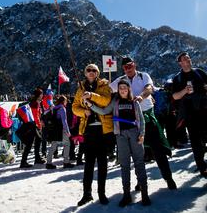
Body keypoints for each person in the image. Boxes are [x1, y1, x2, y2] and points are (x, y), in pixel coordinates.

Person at [110, 56, 177, 190]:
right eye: (125, 67)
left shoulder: (143, 76)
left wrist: (142, 96)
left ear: (134, 65)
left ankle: (168, 178)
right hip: (132, 122)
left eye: (130, 65)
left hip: (147, 118)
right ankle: (141, 182)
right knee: (137, 155)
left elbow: (149, 88)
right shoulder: (120, 81)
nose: (128, 68)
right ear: (123, 68)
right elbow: (107, 90)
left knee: (158, 150)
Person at [85, 79, 150, 207]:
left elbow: (141, 120)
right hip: (120, 135)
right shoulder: (115, 102)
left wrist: (142, 134)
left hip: (135, 134)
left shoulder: (135, 102)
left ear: (129, 89)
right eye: (120, 88)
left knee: (139, 163)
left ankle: (145, 194)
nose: (123, 90)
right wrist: (90, 105)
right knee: (124, 165)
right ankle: (126, 195)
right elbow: (104, 111)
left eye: (125, 88)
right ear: (118, 90)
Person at [72, 63, 113, 206]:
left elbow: (106, 100)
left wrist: (91, 96)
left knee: (103, 163)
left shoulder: (104, 86)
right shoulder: (80, 89)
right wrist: (84, 112)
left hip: (103, 129)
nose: (90, 72)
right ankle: (87, 194)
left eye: (93, 70)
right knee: (88, 163)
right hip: (88, 130)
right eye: (88, 70)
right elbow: (74, 107)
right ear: (85, 73)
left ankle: (102, 193)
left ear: (97, 73)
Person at [172, 52, 207, 178]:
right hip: (190, 116)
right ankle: (203, 169)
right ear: (180, 63)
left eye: (188, 58)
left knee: (204, 140)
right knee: (196, 143)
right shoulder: (178, 78)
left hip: (204, 111)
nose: (188, 60)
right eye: (185, 59)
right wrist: (184, 91)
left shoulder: (200, 72)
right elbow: (175, 96)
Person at [18, 88, 46, 168]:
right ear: (39, 95)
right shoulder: (35, 103)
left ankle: (37, 158)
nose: (42, 95)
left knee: (37, 140)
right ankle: (23, 162)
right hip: (33, 126)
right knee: (30, 144)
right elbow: (35, 116)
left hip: (32, 125)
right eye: (41, 94)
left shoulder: (34, 102)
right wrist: (39, 125)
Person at [46, 95, 74, 169]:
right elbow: (64, 121)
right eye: (66, 101)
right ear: (63, 101)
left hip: (54, 129)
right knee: (67, 144)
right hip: (61, 129)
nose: (66, 102)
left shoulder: (55, 108)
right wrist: (68, 131)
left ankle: (48, 163)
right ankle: (66, 162)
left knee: (53, 146)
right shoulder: (62, 109)